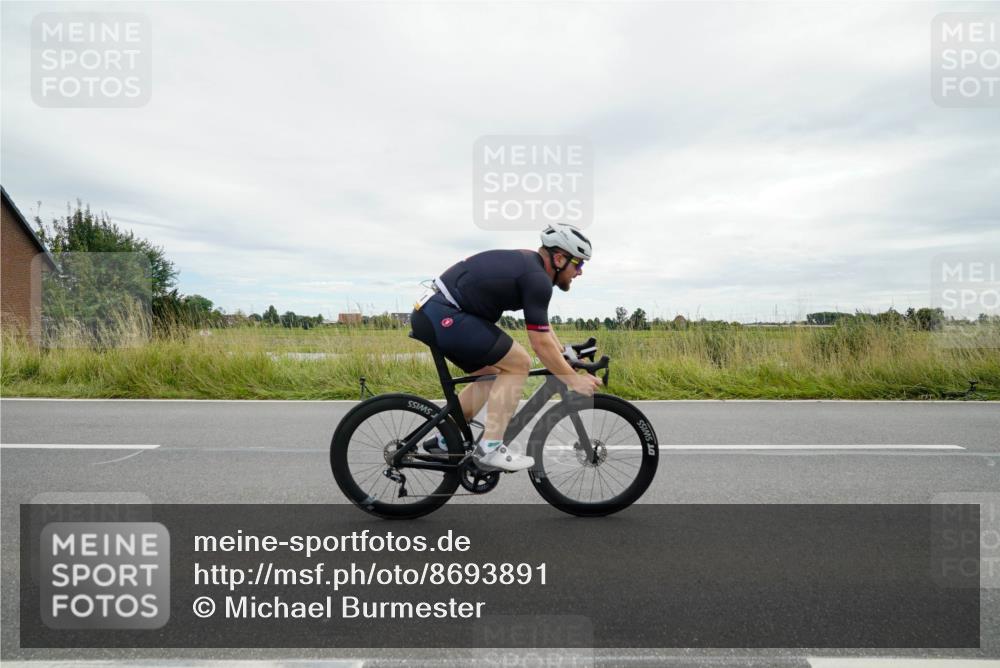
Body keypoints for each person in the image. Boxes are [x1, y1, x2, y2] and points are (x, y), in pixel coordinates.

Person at [410, 223, 601, 472]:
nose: (580, 272)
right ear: (559, 258)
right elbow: (539, 343)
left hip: (435, 312)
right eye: (579, 264)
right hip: (444, 314)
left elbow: (543, 328)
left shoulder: (532, 269)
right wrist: (573, 380)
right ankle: (490, 448)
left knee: (491, 374)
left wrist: (563, 354)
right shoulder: (537, 278)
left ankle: (448, 439)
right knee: (519, 363)